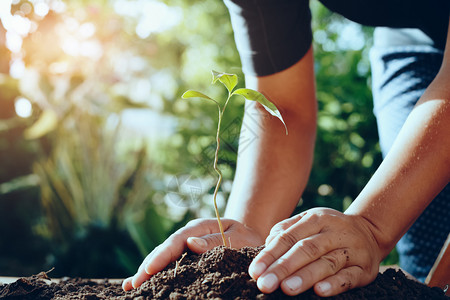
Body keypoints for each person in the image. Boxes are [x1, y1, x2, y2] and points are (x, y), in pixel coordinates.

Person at [123, 0, 450, 296]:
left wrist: (371, 227)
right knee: (428, 253)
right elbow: (281, 105)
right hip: (413, 38)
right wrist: (246, 244)